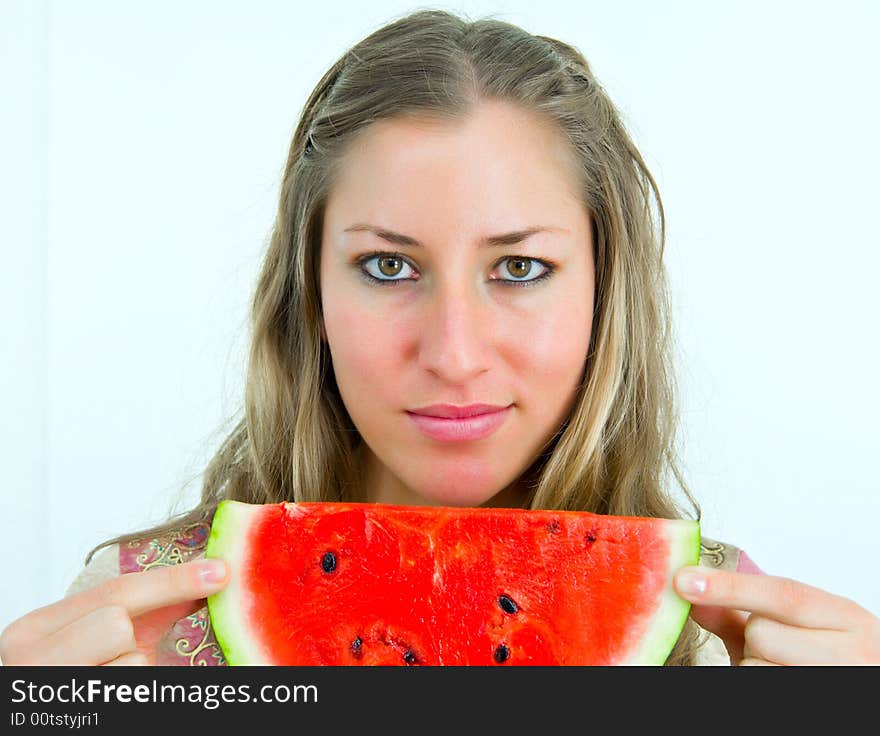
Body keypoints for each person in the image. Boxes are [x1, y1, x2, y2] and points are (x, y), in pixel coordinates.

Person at [2, 8, 877, 667]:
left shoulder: (723, 629)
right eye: (388, 267)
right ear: (308, 294)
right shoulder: (135, 622)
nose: (456, 355)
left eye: (521, 268)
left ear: (607, 295)